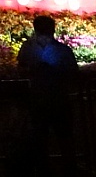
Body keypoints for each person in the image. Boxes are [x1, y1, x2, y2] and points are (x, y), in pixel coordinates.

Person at [13, 14, 78, 175]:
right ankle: (63, 168)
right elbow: (73, 73)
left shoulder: (29, 48)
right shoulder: (61, 49)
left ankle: (48, 168)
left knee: (45, 137)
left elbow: (20, 69)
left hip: (44, 99)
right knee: (59, 137)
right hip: (54, 99)